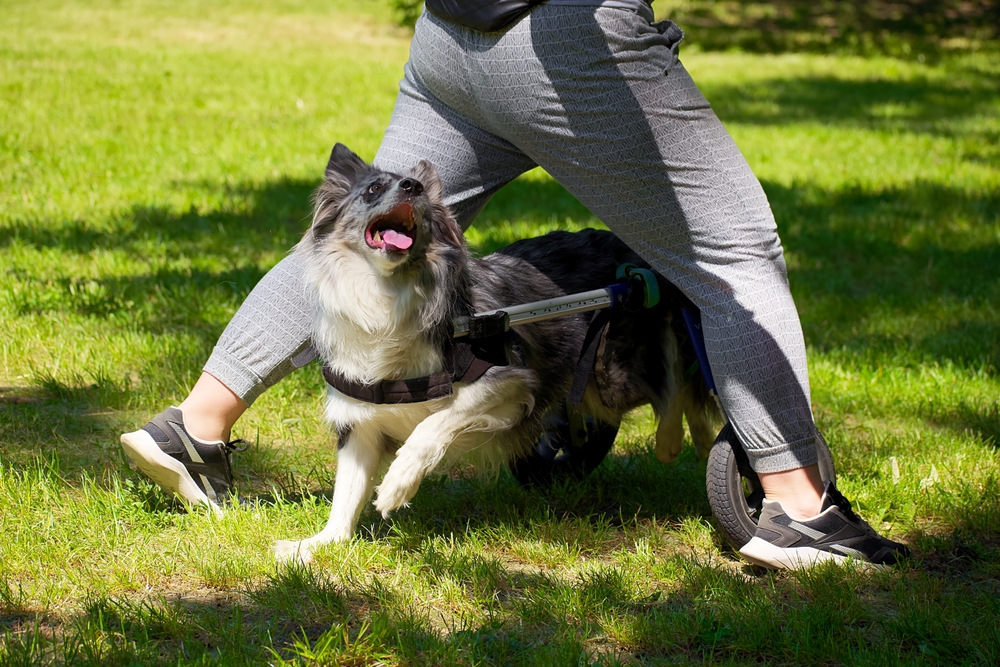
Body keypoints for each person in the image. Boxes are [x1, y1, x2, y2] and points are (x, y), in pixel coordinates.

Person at [120, 0, 908, 569]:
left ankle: (197, 422)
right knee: (734, 248)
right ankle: (801, 510)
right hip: (566, 34)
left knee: (369, 236)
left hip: (450, 40)